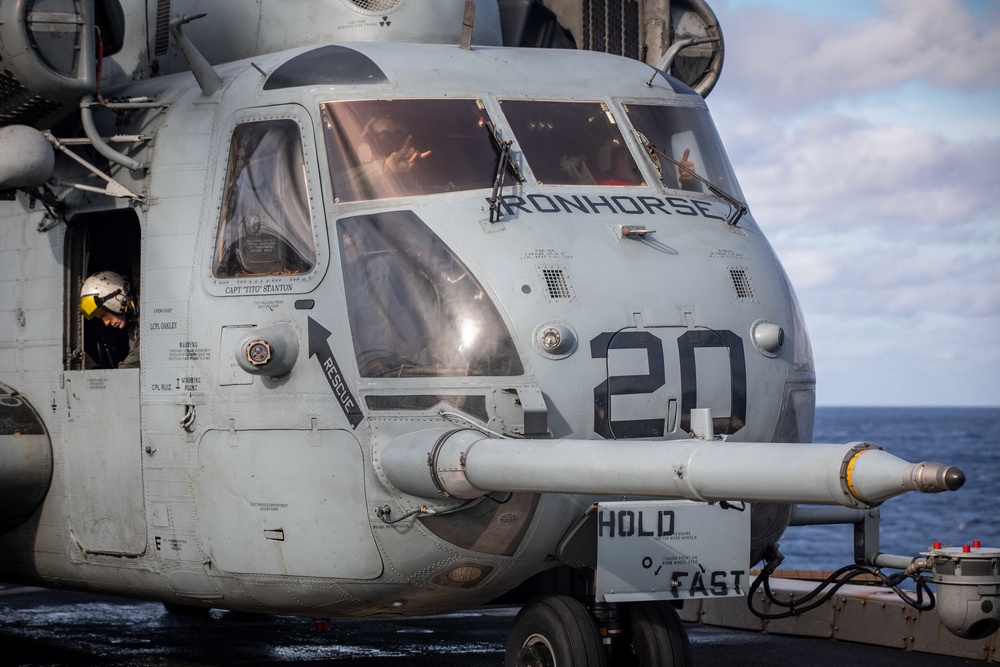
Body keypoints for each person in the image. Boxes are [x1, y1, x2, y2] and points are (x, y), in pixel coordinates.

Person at [79, 270, 139, 369]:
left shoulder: (145, 312)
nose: (106, 323)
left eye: (104, 315)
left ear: (116, 298)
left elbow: (139, 357)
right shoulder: (133, 324)